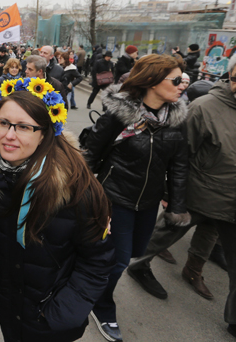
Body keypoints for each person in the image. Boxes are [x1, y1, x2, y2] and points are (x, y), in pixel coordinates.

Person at [127, 49, 236, 342]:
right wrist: (169, 194)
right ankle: (138, 266)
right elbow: (179, 155)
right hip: (200, 195)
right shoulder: (204, 108)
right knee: (163, 235)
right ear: (228, 76)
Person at [0, 78, 114, 342]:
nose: (8, 135)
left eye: (23, 127)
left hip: (51, 321)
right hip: (7, 307)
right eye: (4, 123)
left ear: (44, 133)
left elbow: (98, 261)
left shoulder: (77, 189)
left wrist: (63, 313)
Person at [84, 54, 190, 342]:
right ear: (153, 80)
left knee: (132, 253)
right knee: (118, 261)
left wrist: (177, 207)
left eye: (184, 79)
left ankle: (88, 278)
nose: (182, 85)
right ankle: (101, 305)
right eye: (177, 79)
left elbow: (179, 166)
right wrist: (77, 195)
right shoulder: (119, 114)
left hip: (148, 203)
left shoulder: (177, 120)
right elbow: (90, 154)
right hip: (114, 198)